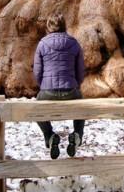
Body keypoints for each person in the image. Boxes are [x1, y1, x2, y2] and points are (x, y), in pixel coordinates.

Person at [33, 13, 85, 159]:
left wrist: (43, 86)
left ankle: (49, 135)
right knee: (81, 106)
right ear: (64, 26)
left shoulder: (42, 43)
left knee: (35, 109)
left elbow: (37, 71)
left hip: (47, 91)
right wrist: (76, 85)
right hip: (71, 90)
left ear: (48, 27)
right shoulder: (74, 43)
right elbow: (80, 70)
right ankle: (77, 135)